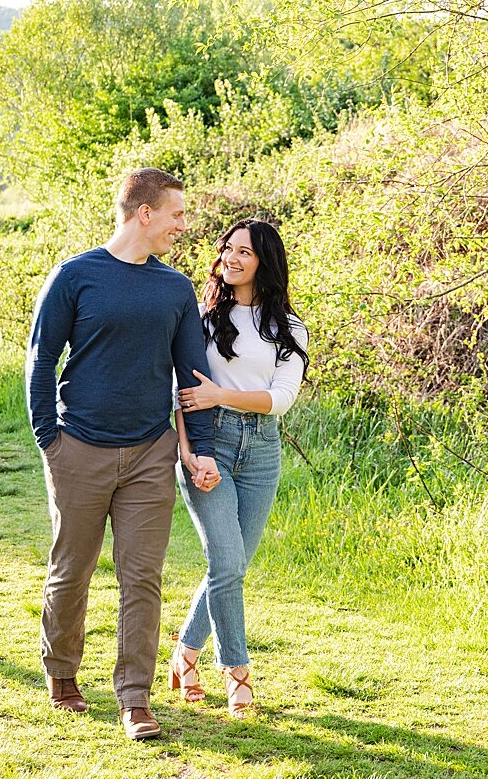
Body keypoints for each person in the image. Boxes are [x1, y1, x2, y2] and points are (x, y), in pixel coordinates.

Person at [25, 167, 222, 742]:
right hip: (78, 449)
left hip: (149, 454)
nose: (183, 226)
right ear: (145, 213)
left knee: (143, 578)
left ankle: (134, 699)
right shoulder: (75, 277)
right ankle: (61, 674)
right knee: (73, 571)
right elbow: (41, 361)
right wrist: (49, 438)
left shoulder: (175, 289)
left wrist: (198, 448)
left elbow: (192, 375)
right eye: (177, 215)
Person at [168, 218, 309, 718]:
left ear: (264, 263)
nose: (231, 257)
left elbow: (281, 399)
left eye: (244, 252)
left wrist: (220, 393)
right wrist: (189, 453)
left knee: (232, 566)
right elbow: (182, 393)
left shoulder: (290, 329)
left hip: (262, 451)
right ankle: (238, 674)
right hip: (209, 442)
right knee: (226, 562)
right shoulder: (202, 320)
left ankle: (185, 653)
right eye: (228, 248)